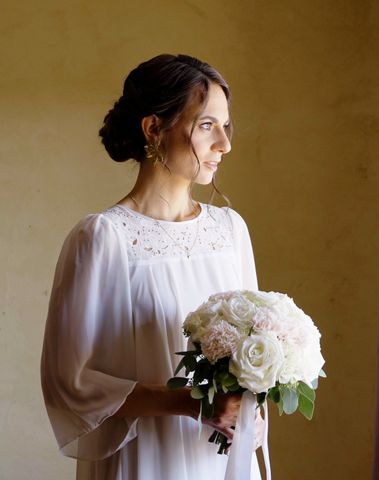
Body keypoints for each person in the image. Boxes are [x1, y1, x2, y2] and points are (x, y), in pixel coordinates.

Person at [40, 54, 263, 479]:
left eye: (225, 125)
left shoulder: (231, 230)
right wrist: (190, 402)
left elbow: (251, 344)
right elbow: (69, 380)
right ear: (153, 128)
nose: (225, 143)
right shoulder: (104, 238)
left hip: (223, 457)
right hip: (147, 457)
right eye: (206, 125)